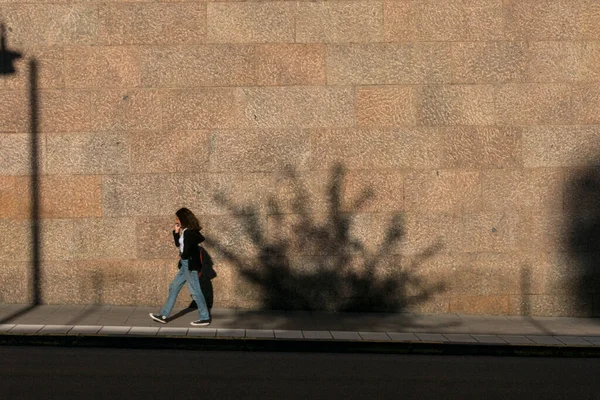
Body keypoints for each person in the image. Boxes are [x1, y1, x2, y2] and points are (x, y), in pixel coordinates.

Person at [150, 208, 211, 326]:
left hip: (189, 264)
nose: (176, 220)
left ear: (183, 218)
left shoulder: (189, 232)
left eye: (178, 218)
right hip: (185, 264)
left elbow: (187, 250)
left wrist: (183, 255)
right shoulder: (187, 231)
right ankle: (163, 315)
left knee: (195, 291)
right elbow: (179, 244)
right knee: (174, 286)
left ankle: (205, 317)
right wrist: (176, 232)